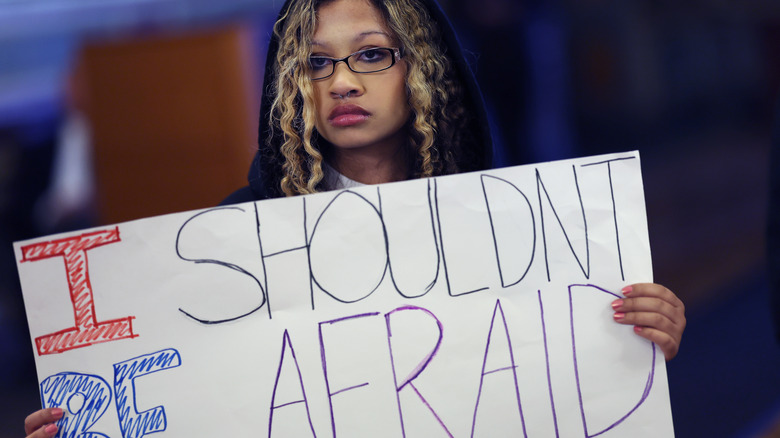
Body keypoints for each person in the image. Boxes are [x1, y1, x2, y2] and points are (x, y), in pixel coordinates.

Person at [24, 0, 686, 436]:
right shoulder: (229, 244)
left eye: (371, 53)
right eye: (316, 61)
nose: (341, 81)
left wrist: (642, 334)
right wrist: (84, 422)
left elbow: (574, 396)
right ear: (293, 84)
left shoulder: (516, 233)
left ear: (421, 67)